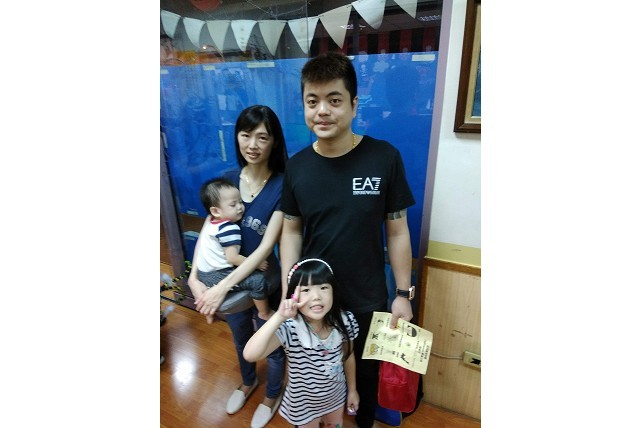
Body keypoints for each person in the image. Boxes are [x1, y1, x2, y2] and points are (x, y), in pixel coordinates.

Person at [279, 51, 416, 428]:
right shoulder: (297, 166)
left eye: (334, 100)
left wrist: (403, 294)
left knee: (366, 382)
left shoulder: (383, 157)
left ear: (354, 104)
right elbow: (291, 229)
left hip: (367, 296)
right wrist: (289, 290)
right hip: (314, 299)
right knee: (315, 379)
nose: (322, 111)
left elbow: (398, 230)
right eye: (312, 101)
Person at [187, 105, 289, 428]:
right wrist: (193, 278)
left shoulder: (282, 185)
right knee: (240, 336)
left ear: (274, 142)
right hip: (229, 284)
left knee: (270, 343)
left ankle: (272, 394)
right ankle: (248, 382)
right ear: (236, 137)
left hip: (262, 281)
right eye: (246, 135)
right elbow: (208, 230)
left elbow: (265, 249)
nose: (252, 145)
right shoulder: (228, 180)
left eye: (262, 137)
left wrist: (220, 288)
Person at [244, 258, 360, 428]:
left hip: (335, 397)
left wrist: (353, 390)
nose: (316, 297)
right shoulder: (290, 328)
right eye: (306, 290)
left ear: (333, 291)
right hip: (303, 404)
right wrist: (279, 316)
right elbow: (250, 354)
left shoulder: (345, 321)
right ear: (294, 295)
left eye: (323, 287)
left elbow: (348, 356)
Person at [191, 177, 272, 323]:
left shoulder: (211, 222)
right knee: (258, 281)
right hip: (218, 274)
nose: (240, 207)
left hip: (202, 273)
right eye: (233, 205)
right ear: (215, 211)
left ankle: (209, 315)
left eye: (240, 202)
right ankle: (264, 313)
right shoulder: (229, 228)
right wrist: (257, 263)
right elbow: (233, 258)